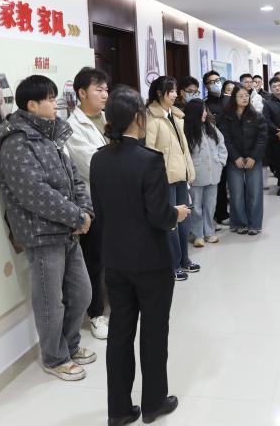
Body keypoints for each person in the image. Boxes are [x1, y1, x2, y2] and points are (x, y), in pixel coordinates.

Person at [89, 86, 190, 426]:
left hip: (115, 259)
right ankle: (154, 403)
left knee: (120, 333)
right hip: (151, 261)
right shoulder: (149, 160)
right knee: (153, 332)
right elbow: (159, 216)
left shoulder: (99, 159)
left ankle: (118, 410)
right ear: (138, 118)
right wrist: (177, 213)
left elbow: (101, 210)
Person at [0, 74, 96, 382]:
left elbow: (74, 177)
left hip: (68, 230)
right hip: (41, 235)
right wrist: (77, 217)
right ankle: (54, 357)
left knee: (82, 294)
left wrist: (85, 211)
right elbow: (35, 193)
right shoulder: (16, 141)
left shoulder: (51, 134)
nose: (56, 104)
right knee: (51, 302)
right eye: (50, 99)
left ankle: (70, 344)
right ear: (31, 105)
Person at [66, 66, 111, 340]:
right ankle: (95, 315)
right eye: (98, 89)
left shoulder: (108, 118)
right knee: (94, 260)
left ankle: (117, 302)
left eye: (106, 89)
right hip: (93, 203)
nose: (104, 94)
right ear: (82, 93)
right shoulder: (72, 127)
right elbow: (93, 164)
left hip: (117, 200)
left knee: (116, 256)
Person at [145, 76, 200, 282]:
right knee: (171, 223)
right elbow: (149, 152)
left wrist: (189, 172)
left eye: (176, 91)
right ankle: (173, 264)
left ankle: (184, 259)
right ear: (160, 93)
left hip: (180, 175)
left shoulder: (176, 115)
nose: (176, 95)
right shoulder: (151, 118)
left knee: (184, 220)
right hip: (165, 179)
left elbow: (184, 149)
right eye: (172, 91)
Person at [219, 85, 267, 234]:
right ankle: (239, 223)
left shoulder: (257, 116)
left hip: (253, 159)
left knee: (255, 192)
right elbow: (225, 139)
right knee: (236, 193)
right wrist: (235, 157)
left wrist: (253, 156)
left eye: (246, 95)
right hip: (234, 160)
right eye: (240, 96)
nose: (244, 98)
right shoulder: (226, 117)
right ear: (234, 98)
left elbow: (262, 139)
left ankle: (254, 224)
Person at [183, 99, 227, 247]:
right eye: (202, 110)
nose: (205, 113)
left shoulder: (211, 127)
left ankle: (209, 231)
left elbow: (222, 145)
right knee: (196, 207)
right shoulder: (186, 130)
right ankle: (198, 234)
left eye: (205, 110)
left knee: (210, 205)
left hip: (213, 173)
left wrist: (220, 162)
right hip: (196, 175)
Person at [203, 71, 230, 226]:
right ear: (206, 86)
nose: (216, 83)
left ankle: (237, 213)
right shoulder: (205, 104)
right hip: (216, 149)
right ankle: (220, 214)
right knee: (219, 184)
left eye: (218, 80)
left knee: (235, 183)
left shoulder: (229, 100)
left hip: (233, 147)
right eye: (211, 82)